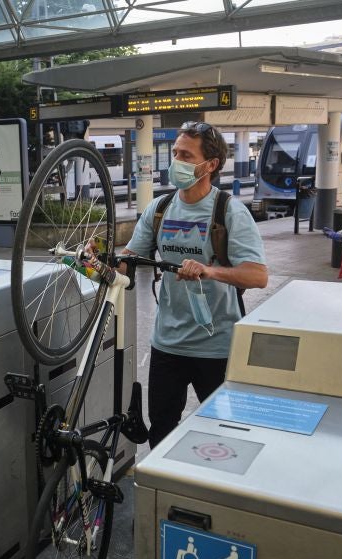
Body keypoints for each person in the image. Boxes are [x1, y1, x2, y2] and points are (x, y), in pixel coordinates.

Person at [120, 121, 268, 448]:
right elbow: (127, 261)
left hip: (216, 348)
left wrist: (211, 271)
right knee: (161, 431)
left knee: (226, 436)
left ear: (210, 165)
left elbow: (258, 275)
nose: (176, 161)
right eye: (175, 153)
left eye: (186, 155)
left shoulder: (229, 211)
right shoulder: (159, 210)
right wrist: (96, 259)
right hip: (167, 344)